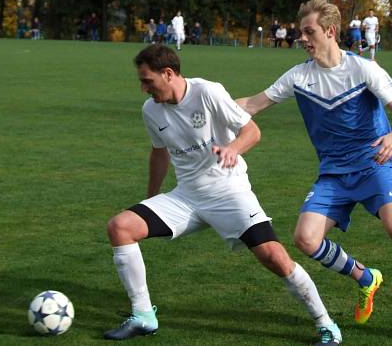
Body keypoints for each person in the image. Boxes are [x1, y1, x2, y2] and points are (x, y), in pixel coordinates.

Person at [235, 0, 392, 331]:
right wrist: (205, 102)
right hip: (333, 173)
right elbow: (253, 105)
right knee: (305, 239)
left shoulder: (363, 68)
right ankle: (366, 278)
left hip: (373, 162)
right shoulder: (298, 77)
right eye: (301, 33)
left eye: (308, 32)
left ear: (330, 31)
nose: (301, 39)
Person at [104, 44, 342, 346]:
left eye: (147, 80)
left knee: (274, 257)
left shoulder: (207, 92)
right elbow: (159, 153)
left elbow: (252, 132)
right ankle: (143, 316)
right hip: (186, 197)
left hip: (229, 192)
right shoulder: (151, 110)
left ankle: (326, 324)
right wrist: (150, 198)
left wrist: (232, 150)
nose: (143, 89)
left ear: (168, 73)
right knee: (120, 227)